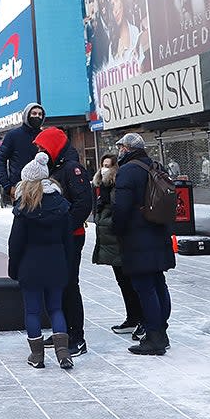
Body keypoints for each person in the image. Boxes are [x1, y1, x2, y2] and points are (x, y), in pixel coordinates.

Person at [8, 152, 73, 370]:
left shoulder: (25, 207)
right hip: (56, 262)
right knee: (56, 308)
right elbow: (68, 240)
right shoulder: (61, 205)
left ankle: (37, 356)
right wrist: (68, 264)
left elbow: (15, 243)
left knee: (33, 311)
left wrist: (13, 267)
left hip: (30, 264)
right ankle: (64, 354)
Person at [113, 133, 175, 356]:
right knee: (159, 283)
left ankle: (154, 336)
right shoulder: (156, 165)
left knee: (145, 288)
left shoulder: (128, 171)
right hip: (158, 234)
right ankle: (162, 331)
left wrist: (118, 231)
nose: (118, 150)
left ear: (127, 149)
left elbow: (121, 208)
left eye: (120, 147)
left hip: (137, 238)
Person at [33, 127, 93, 356]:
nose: (39, 150)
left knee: (69, 286)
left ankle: (76, 337)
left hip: (70, 237)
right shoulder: (55, 167)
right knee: (58, 285)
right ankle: (63, 331)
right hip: (57, 236)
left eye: (42, 147)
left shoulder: (71, 169)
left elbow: (83, 204)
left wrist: (64, 227)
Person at [92, 154, 143, 337]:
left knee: (130, 283)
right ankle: (132, 318)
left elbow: (118, 212)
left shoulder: (115, 186)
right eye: (103, 165)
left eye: (108, 165)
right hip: (110, 242)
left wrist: (107, 223)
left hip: (119, 240)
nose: (104, 168)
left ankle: (139, 318)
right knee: (123, 283)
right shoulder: (100, 186)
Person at [0, 103, 46, 203]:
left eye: (40, 114)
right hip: (20, 189)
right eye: (34, 113)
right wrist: (7, 186)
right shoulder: (13, 135)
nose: (37, 117)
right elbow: (0, 159)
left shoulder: (44, 136)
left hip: (43, 188)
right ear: (27, 115)